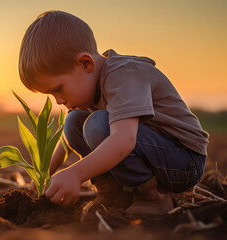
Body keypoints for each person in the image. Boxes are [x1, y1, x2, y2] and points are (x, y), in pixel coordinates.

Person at [18, 10, 208, 216]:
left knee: (97, 124)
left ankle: (152, 197)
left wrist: (76, 174)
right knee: (74, 120)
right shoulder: (90, 85)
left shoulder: (123, 76)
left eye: (58, 89)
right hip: (154, 153)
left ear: (85, 63)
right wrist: (45, 172)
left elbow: (124, 139)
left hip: (183, 161)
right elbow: (66, 140)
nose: (59, 101)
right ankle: (114, 194)